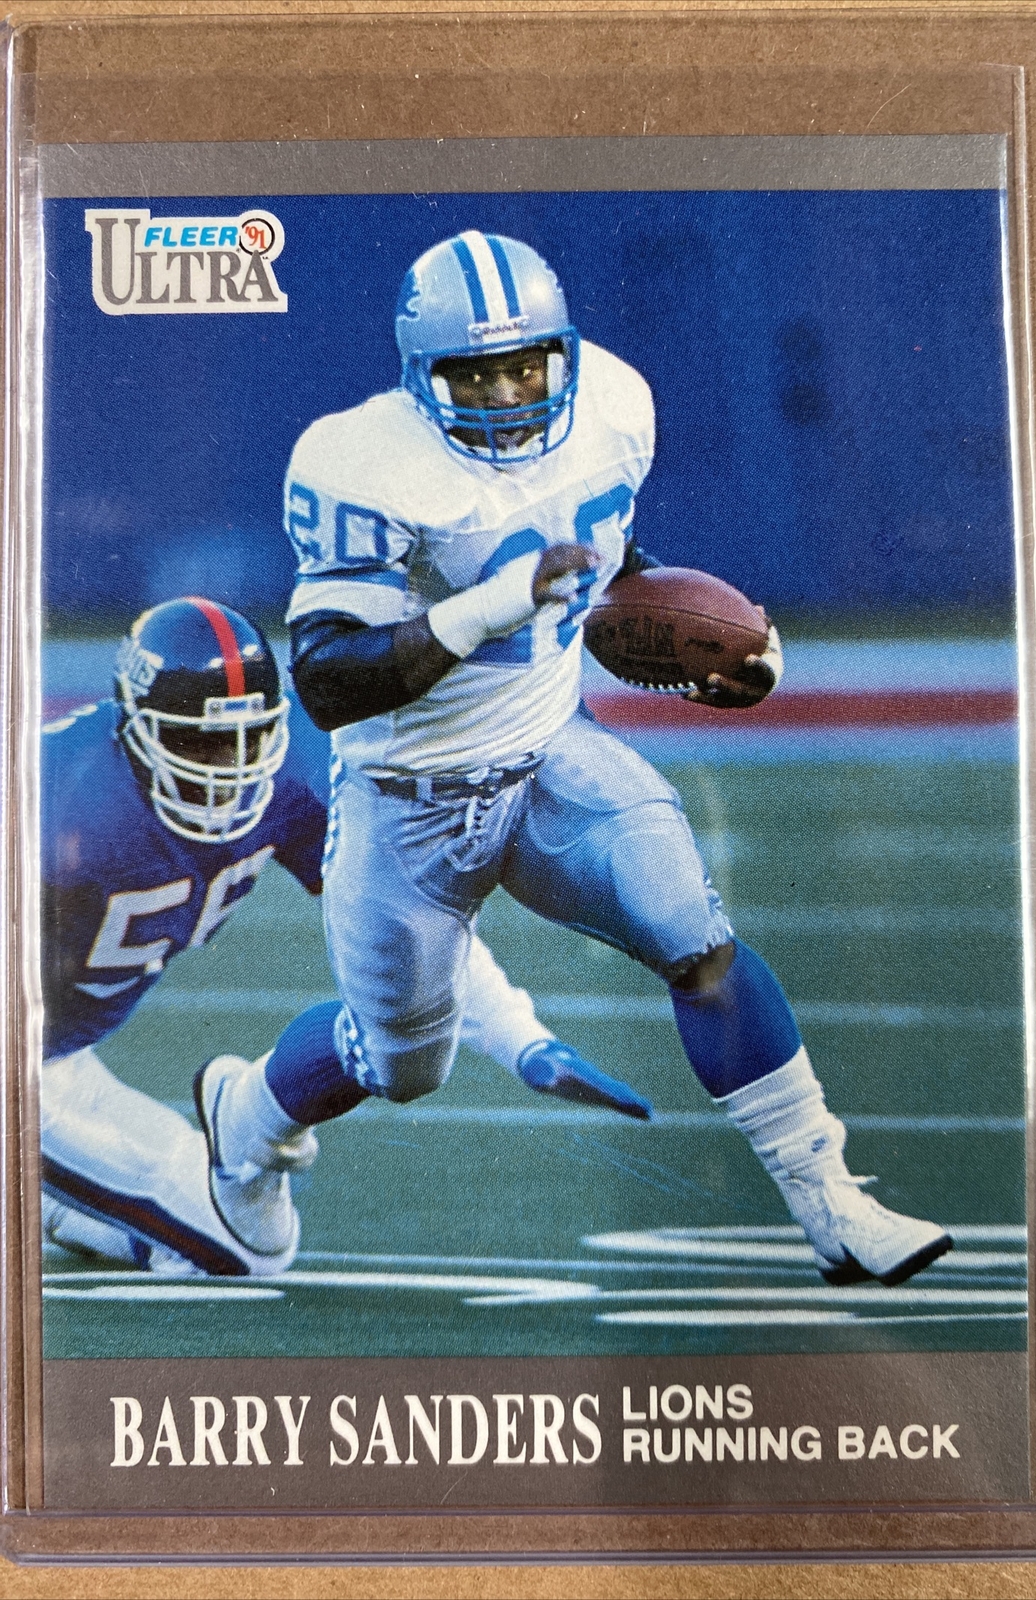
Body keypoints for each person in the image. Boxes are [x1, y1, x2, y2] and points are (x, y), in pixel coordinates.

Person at [200, 230, 952, 1287]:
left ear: (565, 352)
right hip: (407, 801)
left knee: (696, 939)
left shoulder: (612, 404)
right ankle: (248, 1114)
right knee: (402, 1063)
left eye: (528, 367)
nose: (509, 396)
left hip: (550, 753)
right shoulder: (362, 464)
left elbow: (605, 566)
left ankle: (830, 1199)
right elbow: (328, 677)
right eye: (476, 376)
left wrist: (713, 648)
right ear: (421, 377)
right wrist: (490, 605)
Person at [42, 595, 651, 1277]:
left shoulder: (293, 773)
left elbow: (404, 931)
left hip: (66, 1051)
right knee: (240, 1250)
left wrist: (522, 1041)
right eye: (196, 742)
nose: (226, 767)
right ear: (132, 729)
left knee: (252, 1238)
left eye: (248, 737)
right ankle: (58, 1194)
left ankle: (178, 1148)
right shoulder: (50, 802)